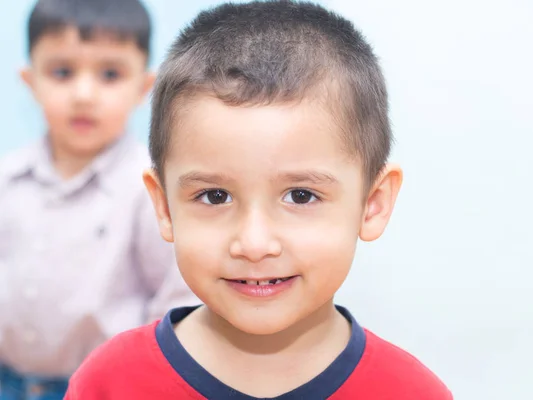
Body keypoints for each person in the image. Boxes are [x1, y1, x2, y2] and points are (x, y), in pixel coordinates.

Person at [65, 1, 453, 399]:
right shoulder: (108, 384)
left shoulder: (411, 392)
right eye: (215, 196)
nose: (253, 244)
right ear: (164, 207)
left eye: (301, 196)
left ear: (372, 203)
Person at [0, 0, 196, 399]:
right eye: (62, 72)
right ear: (30, 81)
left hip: (106, 388)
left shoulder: (148, 190)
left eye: (109, 74)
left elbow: (177, 302)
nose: (84, 94)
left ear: (143, 88)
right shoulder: (6, 178)